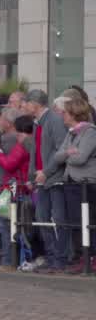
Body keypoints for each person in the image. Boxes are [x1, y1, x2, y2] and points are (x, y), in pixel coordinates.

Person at [26, 90, 71, 272]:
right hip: (42, 179)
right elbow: (36, 151)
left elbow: (61, 150)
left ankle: (61, 259)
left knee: (58, 219)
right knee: (42, 217)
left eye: (26, 103)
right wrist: (32, 175)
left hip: (55, 179)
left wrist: (46, 171)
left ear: (35, 104)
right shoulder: (38, 123)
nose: (24, 107)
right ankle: (51, 257)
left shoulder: (54, 121)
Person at [53, 95, 96, 274]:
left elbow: (81, 157)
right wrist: (69, 152)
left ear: (74, 114)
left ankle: (92, 257)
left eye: (66, 113)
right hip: (70, 182)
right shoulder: (71, 133)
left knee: (88, 221)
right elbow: (57, 156)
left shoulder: (90, 132)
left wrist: (68, 154)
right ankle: (81, 256)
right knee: (75, 222)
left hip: (85, 184)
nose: (63, 115)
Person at [0, 110, 31, 271]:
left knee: (8, 226)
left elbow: (9, 164)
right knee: (12, 226)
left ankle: (9, 262)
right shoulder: (20, 142)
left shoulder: (17, 142)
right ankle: (13, 260)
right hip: (15, 187)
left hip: (15, 188)